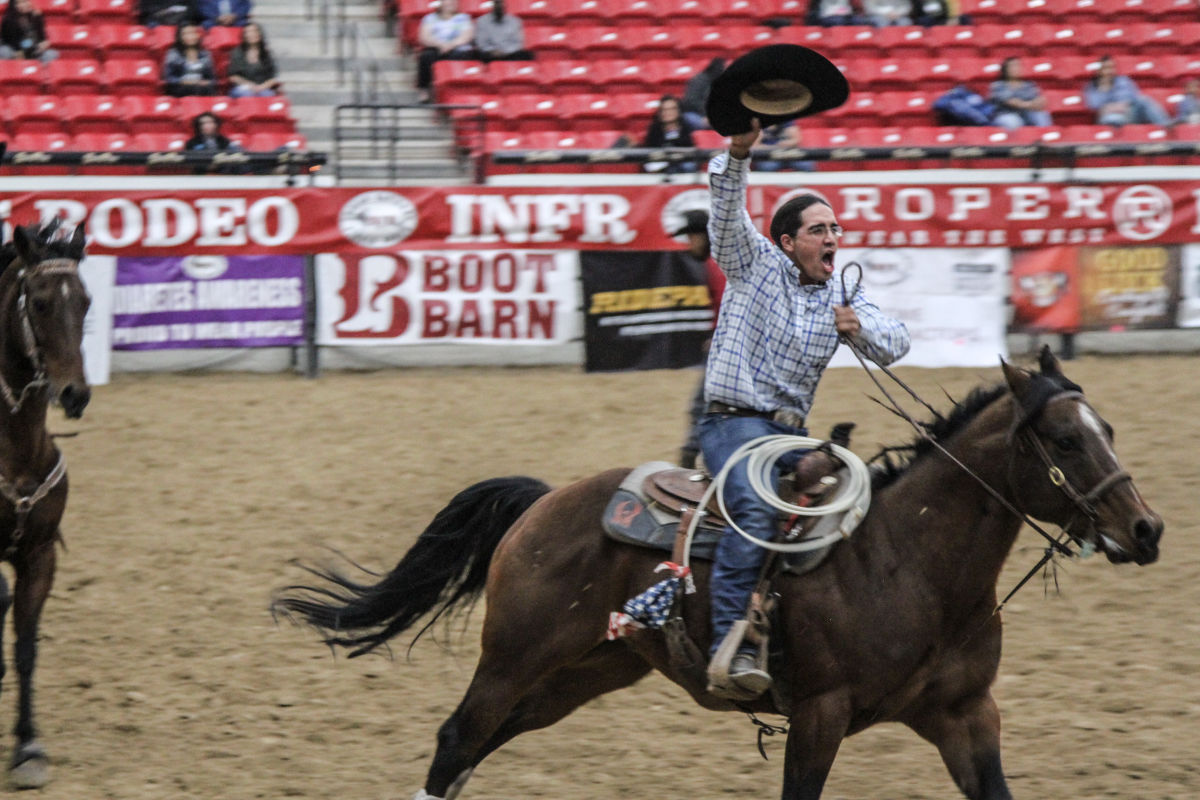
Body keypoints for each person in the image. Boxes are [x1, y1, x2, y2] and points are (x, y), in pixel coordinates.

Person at [699, 119, 910, 698]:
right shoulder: (753, 265)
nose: (833, 237)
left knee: (861, 492)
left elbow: (897, 343)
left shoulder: (844, 293)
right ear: (788, 241)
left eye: (836, 228)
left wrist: (860, 326)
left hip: (788, 433)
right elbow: (724, 218)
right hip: (731, 423)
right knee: (754, 504)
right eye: (819, 230)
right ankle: (731, 644)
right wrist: (737, 155)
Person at [675, 209, 725, 470]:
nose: (689, 244)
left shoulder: (716, 265)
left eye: (691, 237)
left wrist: (718, 335)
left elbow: (731, 303)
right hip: (725, 340)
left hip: (726, 344)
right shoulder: (718, 261)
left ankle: (689, 456)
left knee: (700, 403)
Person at [1084, 55, 1170, 127]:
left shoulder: (1124, 80)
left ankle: (1166, 126)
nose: (1110, 71)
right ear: (1099, 70)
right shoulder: (1092, 87)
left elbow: (1135, 97)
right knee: (1112, 119)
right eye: (1106, 68)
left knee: (1144, 100)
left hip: (1130, 113)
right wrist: (1104, 89)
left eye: (1112, 67)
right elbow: (1094, 106)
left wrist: (1119, 105)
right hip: (1110, 116)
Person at [415, 0, 475, 103]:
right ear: (441, 4)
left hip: (456, 48)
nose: (451, 5)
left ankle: (456, 90)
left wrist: (451, 45)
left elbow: (466, 36)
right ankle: (424, 89)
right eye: (448, 2)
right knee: (426, 56)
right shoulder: (430, 18)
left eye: (453, 3)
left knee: (463, 55)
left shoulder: (463, 18)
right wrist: (440, 44)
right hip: (436, 48)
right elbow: (424, 37)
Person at [989, 57, 1052, 129]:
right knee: (1013, 121)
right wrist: (1030, 104)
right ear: (1005, 69)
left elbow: (1040, 101)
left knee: (1041, 114)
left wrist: (1036, 103)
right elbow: (1011, 102)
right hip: (1006, 115)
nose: (1016, 68)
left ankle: (1043, 138)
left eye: (1018, 65)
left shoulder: (1029, 84)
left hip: (1027, 113)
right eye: (1012, 66)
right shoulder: (998, 85)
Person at [640, 94, 696, 174]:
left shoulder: (687, 128)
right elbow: (650, 150)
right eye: (664, 110)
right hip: (660, 162)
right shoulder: (654, 129)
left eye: (672, 109)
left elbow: (690, 149)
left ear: (678, 111)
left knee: (688, 166)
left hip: (682, 162)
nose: (668, 113)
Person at [162, 23, 218, 96]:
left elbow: (212, 79)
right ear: (180, 37)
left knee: (209, 89)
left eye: (193, 33)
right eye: (186, 34)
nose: (191, 36)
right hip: (180, 87)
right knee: (195, 88)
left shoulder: (205, 54)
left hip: (201, 87)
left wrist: (207, 82)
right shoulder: (174, 54)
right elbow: (169, 78)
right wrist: (188, 82)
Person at [227, 21, 281, 97]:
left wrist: (262, 87)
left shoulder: (266, 53)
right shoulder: (237, 52)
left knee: (267, 95)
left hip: (263, 87)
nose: (252, 34)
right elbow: (233, 77)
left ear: (259, 34)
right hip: (243, 87)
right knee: (247, 95)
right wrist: (250, 85)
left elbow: (273, 77)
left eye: (254, 31)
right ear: (244, 35)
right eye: (248, 32)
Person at [680, 58, 725, 131]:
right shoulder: (699, 80)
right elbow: (690, 101)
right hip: (695, 114)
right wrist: (706, 115)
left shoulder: (723, 82)